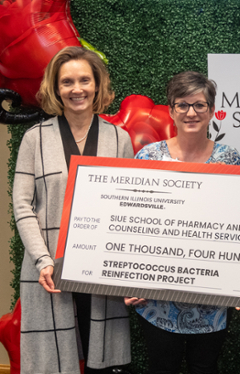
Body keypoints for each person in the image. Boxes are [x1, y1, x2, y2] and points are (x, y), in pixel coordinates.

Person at [13, 46, 133, 374]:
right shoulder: (34, 139)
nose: (76, 89)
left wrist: (124, 271)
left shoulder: (119, 139)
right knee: (53, 362)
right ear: (55, 87)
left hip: (100, 270)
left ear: (97, 85)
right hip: (50, 269)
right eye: (67, 82)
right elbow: (22, 205)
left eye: (84, 80)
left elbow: (127, 208)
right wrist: (43, 260)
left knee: (102, 361)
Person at [125, 70, 240, 374]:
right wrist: (132, 278)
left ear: (212, 111)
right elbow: (132, 225)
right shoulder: (148, 158)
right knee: (161, 368)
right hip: (156, 301)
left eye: (200, 105)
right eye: (182, 105)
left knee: (205, 368)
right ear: (171, 110)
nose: (191, 112)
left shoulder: (230, 160)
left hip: (211, 299)